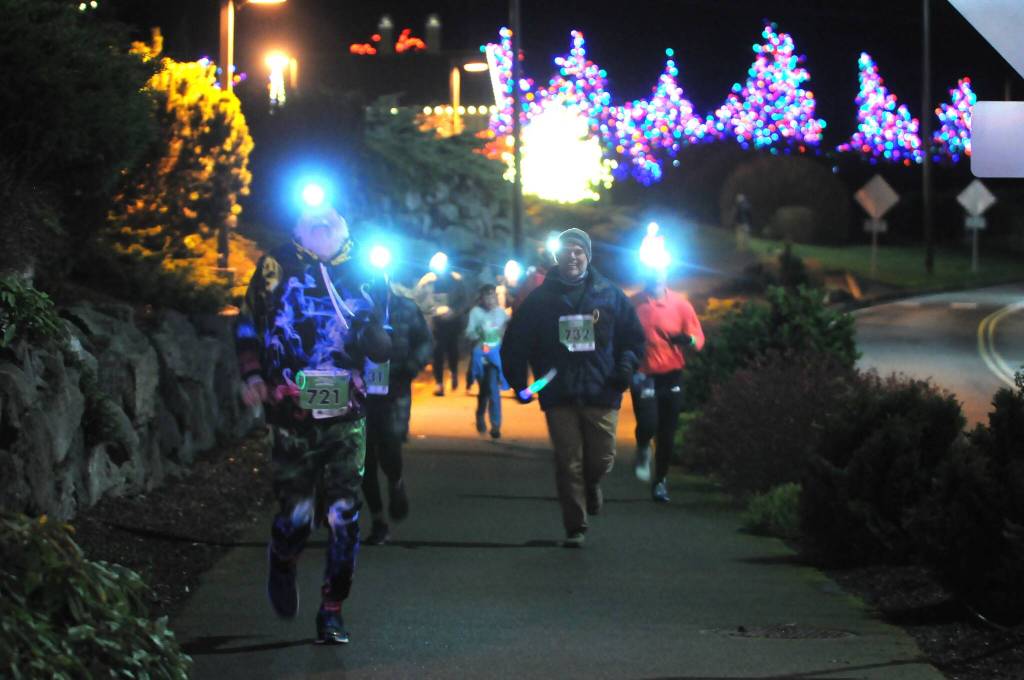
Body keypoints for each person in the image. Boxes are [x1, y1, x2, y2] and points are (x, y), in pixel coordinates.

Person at [237, 200, 392, 645]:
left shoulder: (368, 270)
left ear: (345, 224)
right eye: (313, 217)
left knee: (345, 515)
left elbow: (384, 333)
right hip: (291, 413)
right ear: (298, 227)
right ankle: (283, 558)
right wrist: (252, 375)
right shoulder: (275, 267)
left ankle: (332, 608)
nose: (323, 221)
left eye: (332, 215)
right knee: (299, 514)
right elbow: (247, 324)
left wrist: (376, 383)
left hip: (347, 413)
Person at [501, 228, 645, 548]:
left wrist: (625, 367)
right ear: (558, 257)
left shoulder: (609, 294)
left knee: (602, 460)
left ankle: (593, 484)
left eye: (579, 251)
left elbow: (633, 339)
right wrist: (518, 382)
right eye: (567, 251)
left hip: (603, 389)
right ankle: (575, 526)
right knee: (569, 462)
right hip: (559, 391)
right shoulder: (540, 300)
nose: (573, 257)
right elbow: (515, 343)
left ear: (588, 256)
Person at [362, 281, 433, 545]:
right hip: (361, 392)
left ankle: (396, 481)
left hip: (396, 388)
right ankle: (378, 520)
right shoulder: (350, 310)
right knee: (364, 456)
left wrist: (413, 364)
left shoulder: (405, 308)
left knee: (390, 445)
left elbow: (425, 340)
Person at [630, 269, 705, 503]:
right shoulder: (633, 304)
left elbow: (698, 338)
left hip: (671, 375)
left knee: (667, 432)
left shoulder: (680, 305)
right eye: (653, 272)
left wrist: (688, 339)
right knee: (649, 422)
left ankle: (660, 480)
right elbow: (617, 334)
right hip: (642, 374)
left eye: (661, 271)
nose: (657, 276)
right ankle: (643, 446)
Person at [414, 256, 470, 396]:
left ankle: (453, 372)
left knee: (452, 349)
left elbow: (464, 301)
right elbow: (418, 300)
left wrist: (453, 311)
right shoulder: (426, 281)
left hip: (452, 322)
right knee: (437, 352)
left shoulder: (456, 280)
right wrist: (431, 311)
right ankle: (439, 383)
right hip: (435, 323)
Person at [465, 284, 509, 439]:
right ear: (481, 298)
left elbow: (508, 330)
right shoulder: (475, 313)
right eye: (486, 296)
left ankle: (496, 425)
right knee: (484, 391)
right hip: (480, 357)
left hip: (495, 358)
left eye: (492, 296)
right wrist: (479, 333)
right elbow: (468, 333)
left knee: (493, 390)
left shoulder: (501, 313)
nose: (490, 299)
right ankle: (479, 414)